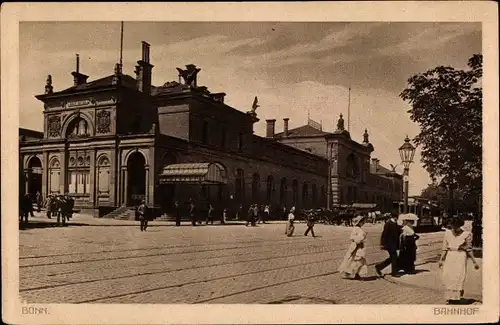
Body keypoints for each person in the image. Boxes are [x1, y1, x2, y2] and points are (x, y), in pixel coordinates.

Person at [438, 218, 480, 304]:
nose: (454, 229)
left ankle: (456, 298)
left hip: (460, 256)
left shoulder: (467, 234)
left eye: (456, 227)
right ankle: (449, 298)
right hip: (450, 256)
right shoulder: (447, 233)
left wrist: (474, 261)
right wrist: (441, 259)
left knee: (458, 276)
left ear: (460, 226)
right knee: (448, 276)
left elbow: (469, 249)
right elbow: (444, 248)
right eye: (452, 227)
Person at [338, 215, 368, 280]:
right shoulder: (356, 228)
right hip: (356, 247)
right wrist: (361, 238)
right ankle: (351, 272)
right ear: (359, 222)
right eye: (362, 222)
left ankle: (355, 273)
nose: (363, 223)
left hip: (360, 246)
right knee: (355, 259)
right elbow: (352, 237)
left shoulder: (359, 228)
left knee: (359, 260)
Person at [375, 211, 401, 277]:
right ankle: (394, 273)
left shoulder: (395, 224)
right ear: (393, 217)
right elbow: (384, 234)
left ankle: (379, 267)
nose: (396, 219)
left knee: (392, 258)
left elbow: (397, 232)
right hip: (389, 244)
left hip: (394, 244)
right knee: (394, 257)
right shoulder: (388, 223)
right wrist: (383, 244)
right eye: (396, 218)